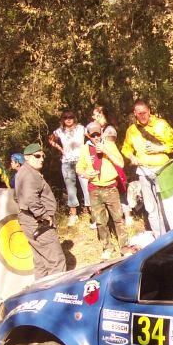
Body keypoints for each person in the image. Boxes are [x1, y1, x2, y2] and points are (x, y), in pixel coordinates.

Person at [120, 98, 173, 237]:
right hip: (143, 172)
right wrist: (132, 157)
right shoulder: (132, 130)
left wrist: (159, 148)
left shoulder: (161, 125)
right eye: (139, 113)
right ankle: (160, 239)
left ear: (149, 111)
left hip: (162, 171)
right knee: (150, 207)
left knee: (166, 205)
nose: (142, 116)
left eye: (145, 113)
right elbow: (125, 149)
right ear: (134, 113)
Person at [77, 122, 129, 260]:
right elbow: (78, 168)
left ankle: (124, 246)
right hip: (95, 189)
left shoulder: (109, 144)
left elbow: (121, 163)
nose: (96, 137)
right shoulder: (84, 149)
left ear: (101, 132)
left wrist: (106, 151)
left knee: (118, 219)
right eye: (92, 135)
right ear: (88, 135)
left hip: (111, 188)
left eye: (98, 134)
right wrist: (85, 174)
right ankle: (107, 247)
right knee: (101, 221)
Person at [15, 143, 66, 278]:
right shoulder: (29, 175)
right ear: (26, 157)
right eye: (37, 156)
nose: (41, 159)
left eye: (43, 156)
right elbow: (31, 198)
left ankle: (40, 292)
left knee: (41, 262)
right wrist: (44, 215)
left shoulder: (25, 172)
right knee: (56, 261)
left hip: (30, 220)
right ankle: (58, 293)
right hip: (38, 222)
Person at [90, 104, 131, 225]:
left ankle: (128, 215)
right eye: (94, 116)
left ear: (103, 116)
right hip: (104, 162)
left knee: (121, 188)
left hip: (114, 162)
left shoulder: (110, 130)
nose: (95, 118)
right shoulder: (99, 130)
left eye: (98, 116)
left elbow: (109, 142)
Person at [48, 110, 90, 227]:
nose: (68, 119)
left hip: (81, 161)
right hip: (67, 162)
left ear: (74, 118)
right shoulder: (59, 131)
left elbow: (91, 136)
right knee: (70, 188)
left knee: (86, 186)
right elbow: (51, 139)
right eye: (65, 117)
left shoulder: (81, 128)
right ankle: (73, 215)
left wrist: (90, 149)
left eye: (70, 117)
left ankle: (93, 214)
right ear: (63, 119)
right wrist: (60, 149)